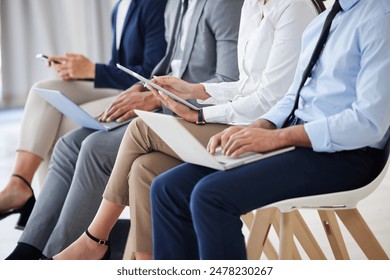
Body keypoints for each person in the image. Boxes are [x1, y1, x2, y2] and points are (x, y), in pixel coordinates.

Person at [52, 0, 324, 260]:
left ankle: (94, 240)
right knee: (145, 168)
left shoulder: (294, 7)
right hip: (243, 117)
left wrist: (201, 114)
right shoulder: (253, 4)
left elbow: (271, 100)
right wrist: (196, 90)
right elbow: (245, 86)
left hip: (269, 129)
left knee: (142, 128)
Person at [150, 0, 390, 259]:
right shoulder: (325, 22)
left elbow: (369, 122)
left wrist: (277, 137)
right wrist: (256, 129)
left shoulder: (380, 17)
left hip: (348, 154)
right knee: (168, 189)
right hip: (297, 140)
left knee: (210, 196)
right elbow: (291, 97)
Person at [5, 0, 243, 260]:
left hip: (199, 115)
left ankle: (55, 258)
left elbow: (230, 82)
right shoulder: (176, 4)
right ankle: (29, 249)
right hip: (164, 105)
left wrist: (155, 98)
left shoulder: (223, 4)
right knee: (68, 144)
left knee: (95, 148)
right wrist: (142, 89)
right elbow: (166, 68)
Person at [0, 0, 168, 230]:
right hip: (119, 85)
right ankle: (19, 184)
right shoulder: (119, 7)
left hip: (141, 92)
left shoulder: (154, 5)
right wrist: (79, 70)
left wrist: (92, 71)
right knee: (43, 91)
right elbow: (117, 65)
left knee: (64, 123)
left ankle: (53, 221)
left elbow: (151, 74)